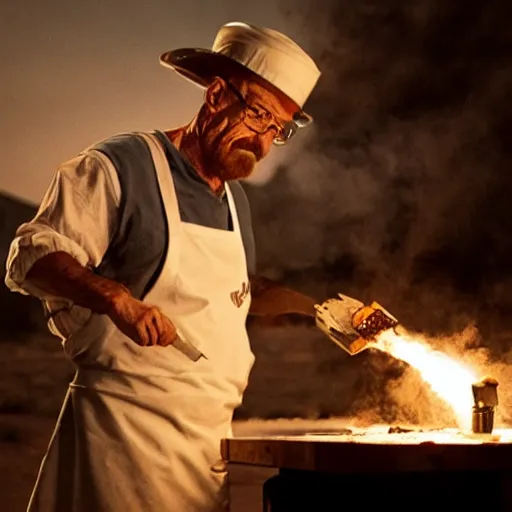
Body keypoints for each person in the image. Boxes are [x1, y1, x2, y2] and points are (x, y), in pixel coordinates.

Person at [5, 21, 321, 512]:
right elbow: (32, 256)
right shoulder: (120, 166)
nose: (261, 143)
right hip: (120, 444)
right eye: (259, 116)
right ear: (217, 95)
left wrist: (320, 310)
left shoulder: (234, 203)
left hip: (203, 448)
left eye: (276, 130)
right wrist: (113, 298)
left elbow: (233, 292)